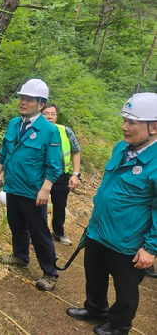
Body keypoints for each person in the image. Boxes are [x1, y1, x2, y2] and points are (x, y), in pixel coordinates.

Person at [66, 92, 157, 335]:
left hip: (127, 240)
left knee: (126, 289)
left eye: (132, 122)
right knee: (93, 274)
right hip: (98, 230)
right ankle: (95, 308)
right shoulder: (120, 148)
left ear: (154, 127)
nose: (125, 127)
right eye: (124, 120)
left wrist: (151, 248)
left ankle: (119, 325)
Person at [0, 79, 62, 291]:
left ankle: (50, 272)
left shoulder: (49, 131)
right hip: (13, 186)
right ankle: (20, 256)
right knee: (16, 224)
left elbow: (55, 165)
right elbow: (5, 151)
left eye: (29, 99)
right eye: (22, 98)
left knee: (39, 231)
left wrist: (46, 188)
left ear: (40, 104)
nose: (23, 102)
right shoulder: (15, 123)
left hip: (33, 191)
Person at [42, 103, 82, 245]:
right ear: (40, 115)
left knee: (59, 205)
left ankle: (58, 232)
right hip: (41, 175)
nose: (50, 117)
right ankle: (37, 234)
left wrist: (75, 174)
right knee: (38, 204)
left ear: (56, 116)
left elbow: (75, 151)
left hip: (61, 176)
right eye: (46, 113)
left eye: (52, 114)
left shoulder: (65, 131)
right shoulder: (36, 131)